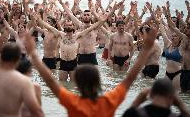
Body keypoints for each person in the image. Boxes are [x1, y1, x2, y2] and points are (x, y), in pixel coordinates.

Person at [23, 26, 158, 117]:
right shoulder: (109, 102)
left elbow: (51, 82)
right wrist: (146, 49)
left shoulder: (73, 103)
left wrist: (33, 55)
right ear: (98, 81)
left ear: (78, 84)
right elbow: (130, 78)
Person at [164, 2, 190, 94]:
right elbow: (173, 27)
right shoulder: (184, 38)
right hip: (183, 71)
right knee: (183, 96)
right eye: (187, 28)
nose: (187, 29)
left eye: (189, 28)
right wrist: (167, 14)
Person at [122, 78, 190, 117]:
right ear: (173, 98)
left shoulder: (135, 114)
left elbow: (127, 114)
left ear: (151, 95)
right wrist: (180, 105)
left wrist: (137, 101)